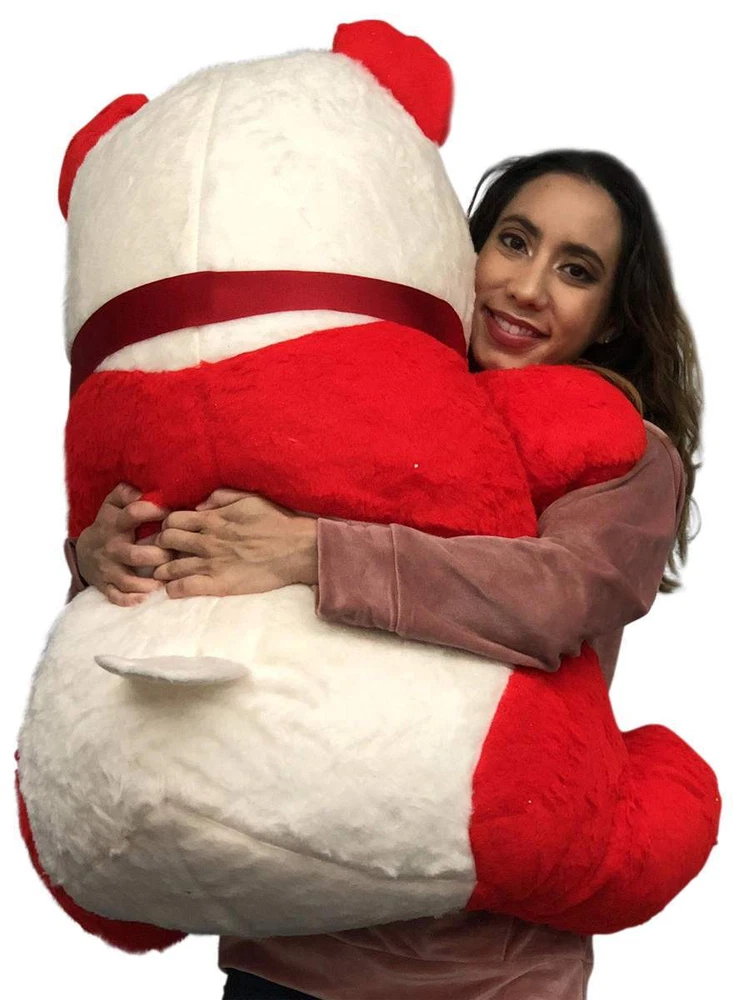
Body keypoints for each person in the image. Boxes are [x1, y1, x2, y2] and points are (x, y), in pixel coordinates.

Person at [67, 150, 701, 1000]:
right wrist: (103, 557)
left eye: (575, 270)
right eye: (514, 242)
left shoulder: (623, 451)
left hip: (479, 970)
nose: (526, 287)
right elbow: (211, 558)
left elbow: (555, 594)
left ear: (614, 317)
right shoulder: (345, 397)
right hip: (287, 942)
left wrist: (313, 552)